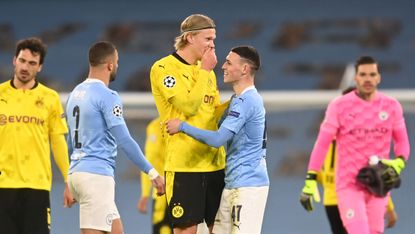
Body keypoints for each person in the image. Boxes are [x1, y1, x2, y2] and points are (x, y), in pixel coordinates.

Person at [300, 56, 410, 234]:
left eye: (372, 74)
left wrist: (400, 162)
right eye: (363, 74)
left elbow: (402, 141)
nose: (368, 78)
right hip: (348, 186)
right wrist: (310, 179)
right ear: (356, 78)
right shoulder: (339, 106)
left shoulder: (391, 106)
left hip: (378, 185)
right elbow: (321, 144)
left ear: (378, 77)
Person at [166, 45, 269, 234]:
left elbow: (218, 139)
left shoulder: (248, 101)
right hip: (233, 182)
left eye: (229, 63)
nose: (223, 66)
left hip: (248, 186)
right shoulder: (237, 100)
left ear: (245, 69)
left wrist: (182, 126)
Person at [66, 41, 165, 234]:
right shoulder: (107, 95)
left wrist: (71, 179)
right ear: (110, 65)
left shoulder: (74, 94)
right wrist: (152, 173)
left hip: (78, 173)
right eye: (117, 61)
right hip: (96, 177)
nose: (117, 65)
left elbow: (71, 140)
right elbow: (125, 140)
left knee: (116, 231)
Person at [150, 14, 226, 234]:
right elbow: (188, 106)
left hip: (214, 163)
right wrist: (205, 72)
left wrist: (241, 102)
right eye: (208, 39)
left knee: (221, 229)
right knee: (186, 230)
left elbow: (213, 111)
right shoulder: (164, 68)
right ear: (190, 37)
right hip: (184, 166)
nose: (212, 45)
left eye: (214, 39)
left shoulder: (207, 70)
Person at [0, 37, 75, 234]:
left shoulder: (50, 98)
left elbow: (58, 141)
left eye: (32, 63)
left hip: (37, 185)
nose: (25, 67)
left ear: (39, 67)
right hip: (3, 185)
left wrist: (68, 180)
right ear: (14, 60)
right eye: (22, 61)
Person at [319, 140, 398, 234]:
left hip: (331, 199)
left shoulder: (325, 138)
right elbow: (373, 176)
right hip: (352, 198)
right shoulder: (353, 138)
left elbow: (315, 169)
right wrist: (389, 206)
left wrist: (329, 184)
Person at [137, 117, 172, 234]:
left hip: (183, 190)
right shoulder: (154, 126)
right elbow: (149, 161)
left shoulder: (186, 125)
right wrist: (145, 193)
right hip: (161, 193)